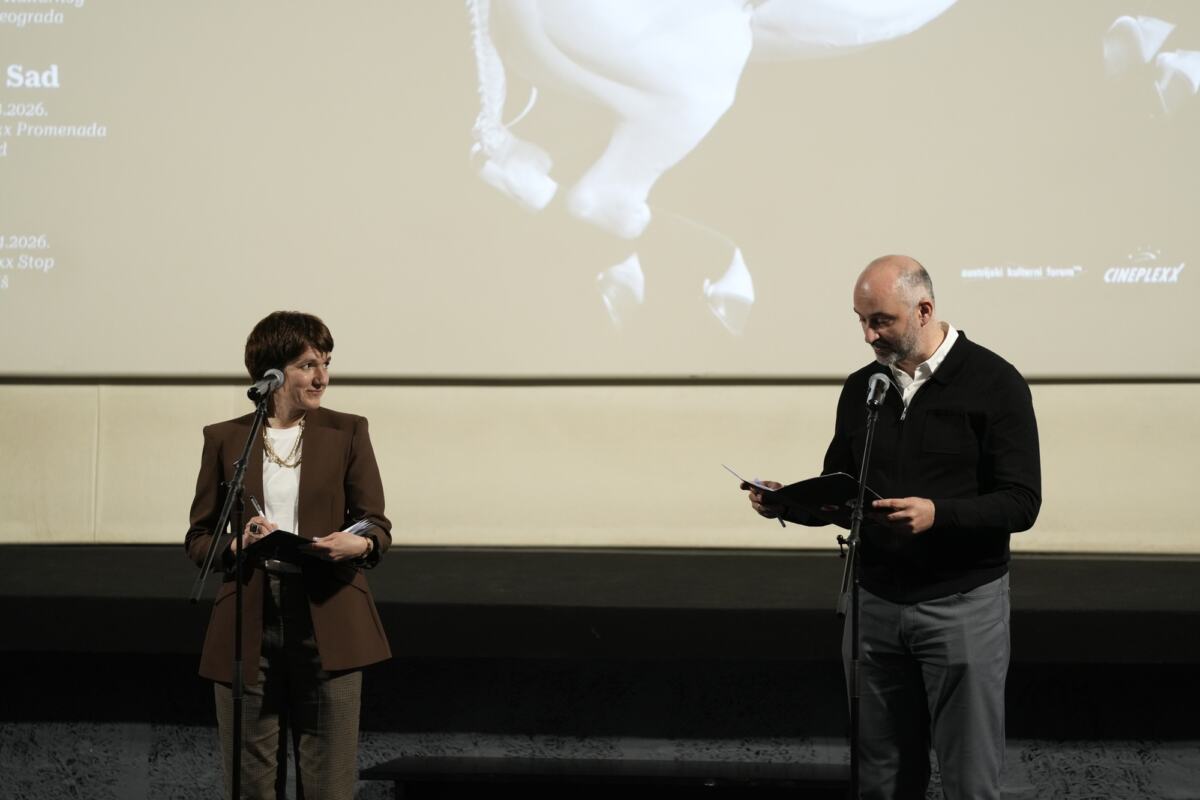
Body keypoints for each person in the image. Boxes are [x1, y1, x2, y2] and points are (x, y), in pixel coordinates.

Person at [745, 255, 1040, 799]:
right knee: (879, 775)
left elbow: (1021, 503)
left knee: (969, 778)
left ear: (923, 309)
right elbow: (845, 493)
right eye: (860, 320)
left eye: (880, 321)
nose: (867, 335)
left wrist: (938, 514)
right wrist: (786, 503)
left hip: (961, 605)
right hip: (874, 606)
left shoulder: (995, 383)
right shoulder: (864, 389)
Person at [185, 311, 392, 800]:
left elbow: (377, 525)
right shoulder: (225, 438)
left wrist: (355, 543)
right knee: (249, 783)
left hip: (327, 610)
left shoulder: (348, 431)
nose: (321, 377)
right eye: (306, 364)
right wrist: (237, 545)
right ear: (271, 374)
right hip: (249, 616)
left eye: (326, 362)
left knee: (330, 784)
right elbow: (199, 537)